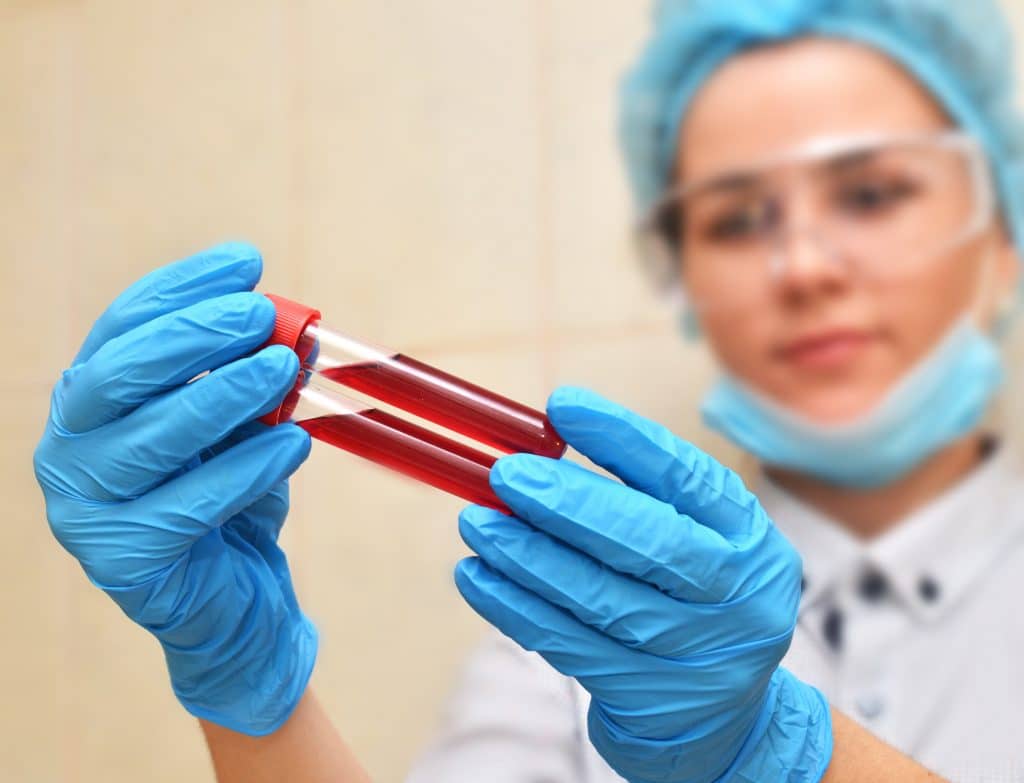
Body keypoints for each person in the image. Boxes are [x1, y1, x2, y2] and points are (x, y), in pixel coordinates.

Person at [31, 0, 1024, 781]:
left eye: (870, 193)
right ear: (680, 275)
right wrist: (251, 695)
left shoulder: (650, 634)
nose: (801, 267)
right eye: (733, 220)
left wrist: (776, 753)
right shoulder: (591, 609)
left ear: (1003, 230)